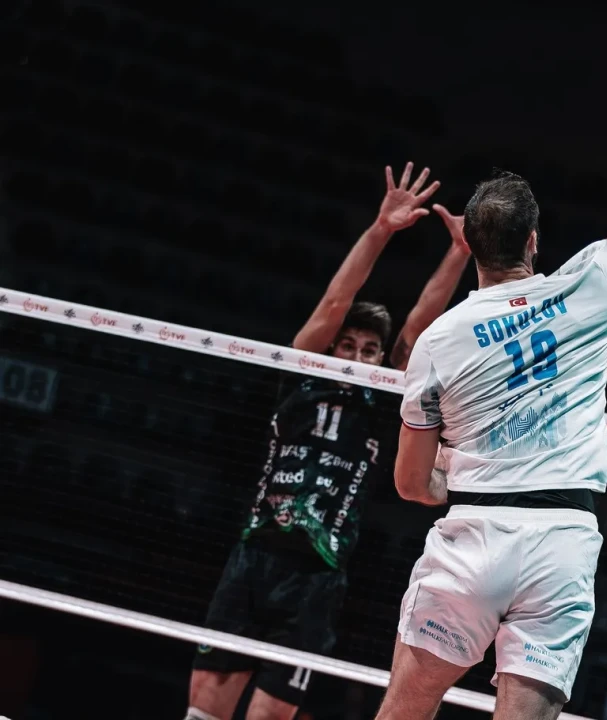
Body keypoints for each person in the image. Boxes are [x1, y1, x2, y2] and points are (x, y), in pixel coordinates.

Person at [383, 8, 607, 719]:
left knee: (405, 710)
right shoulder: (590, 285)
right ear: (535, 241)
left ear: (470, 246)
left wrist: (461, 477)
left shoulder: (438, 341)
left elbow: (412, 485)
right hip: (563, 545)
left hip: (472, 539)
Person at [186, 163, 472, 720]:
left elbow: (418, 327)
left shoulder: (383, 401)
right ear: (332, 348)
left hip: (318, 578)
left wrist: (459, 252)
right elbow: (335, 302)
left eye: (370, 350)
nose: (358, 356)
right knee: (204, 710)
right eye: (349, 346)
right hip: (253, 558)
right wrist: (381, 230)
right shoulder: (299, 376)